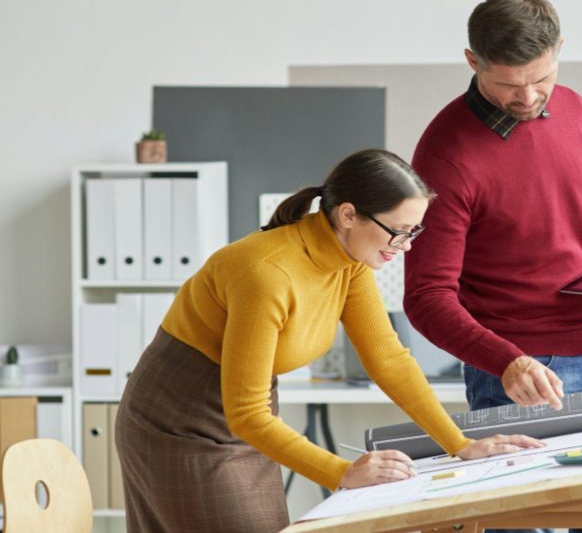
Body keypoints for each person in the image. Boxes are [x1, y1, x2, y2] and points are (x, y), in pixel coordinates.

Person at [115, 149, 542, 533]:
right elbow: (246, 412)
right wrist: (341, 471)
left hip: (245, 412)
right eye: (398, 231)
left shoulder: (350, 262)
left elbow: (389, 359)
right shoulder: (266, 274)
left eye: (414, 232)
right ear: (349, 214)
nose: (406, 247)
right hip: (177, 417)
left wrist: (459, 444)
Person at [404, 0, 582, 531]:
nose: (530, 97)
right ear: (473, 62)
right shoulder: (446, 154)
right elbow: (425, 297)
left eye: (542, 78)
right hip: (518, 373)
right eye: (510, 85)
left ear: (560, 50)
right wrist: (507, 361)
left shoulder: (575, 107)